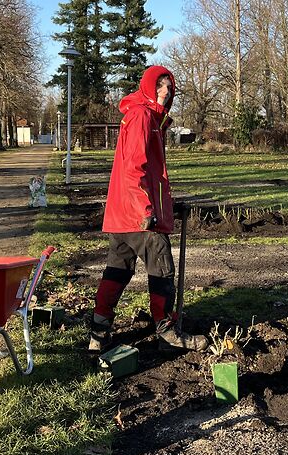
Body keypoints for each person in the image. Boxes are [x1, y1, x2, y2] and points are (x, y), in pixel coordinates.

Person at [89, 65, 209, 352]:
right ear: (148, 87)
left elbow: (147, 173)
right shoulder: (143, 116)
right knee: (162, 268)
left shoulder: (147, 117)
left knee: (117, 272)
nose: (166, 93)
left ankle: (98, 333)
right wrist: (147, 209)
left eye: (169, 88)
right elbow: (134, 169)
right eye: (160, 87)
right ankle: (167, 333)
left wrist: (166, 204)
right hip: (138, 215)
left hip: (122, 214)